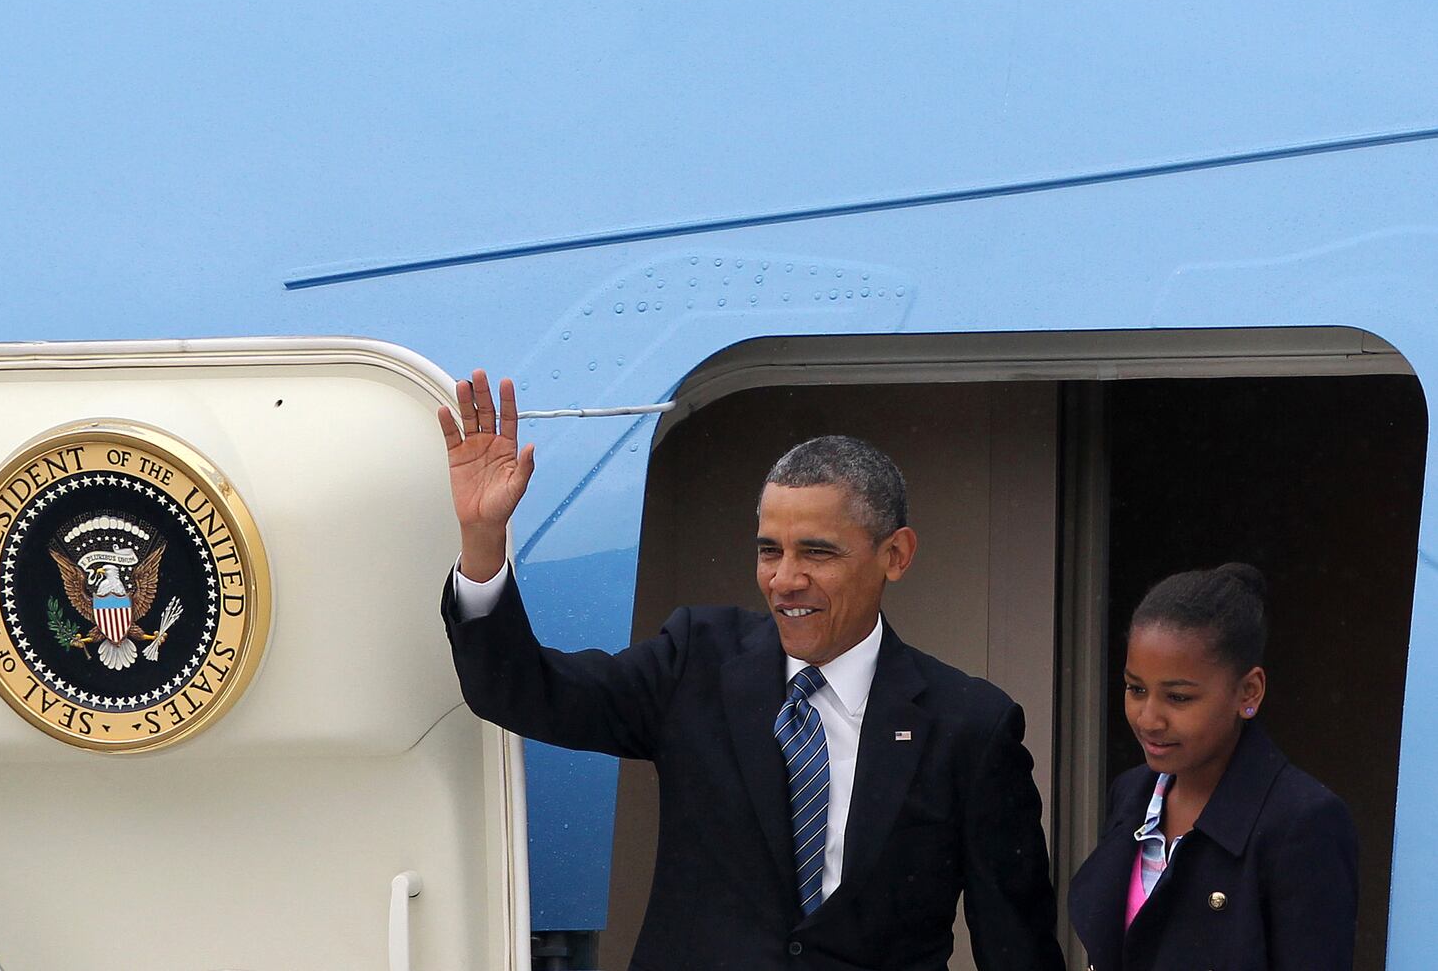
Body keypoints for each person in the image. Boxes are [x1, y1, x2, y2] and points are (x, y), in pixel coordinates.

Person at [438, 369, 1065, 971]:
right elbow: (520, 692)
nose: (785, 580)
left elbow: (1015, 945)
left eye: (817, 552)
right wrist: (483, 539)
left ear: (895, 555)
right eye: (770, 551)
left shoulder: (969, 726)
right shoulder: (696, 661)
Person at [1069, 563, 1358, 971]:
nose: (1149, 719)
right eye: (1136, 689)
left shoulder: (1303, 821)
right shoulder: (1132, 794)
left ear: (1249, 692)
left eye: (1178, 697)